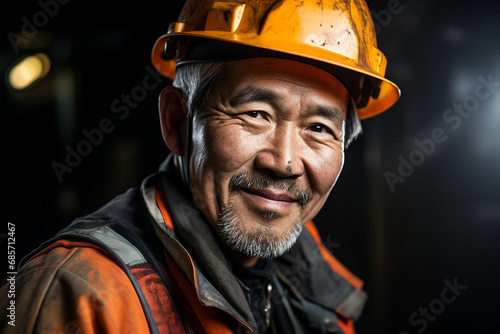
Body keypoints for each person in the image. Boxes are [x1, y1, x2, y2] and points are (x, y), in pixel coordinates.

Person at [1, 0, 399, 333]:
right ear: (178, 121)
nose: (285, 162)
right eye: (256, 113)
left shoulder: (318, 301)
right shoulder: (79, 293)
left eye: (318, 128)